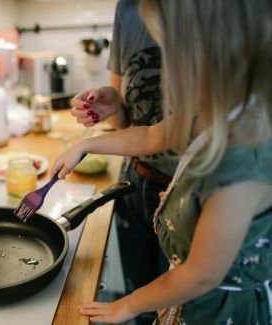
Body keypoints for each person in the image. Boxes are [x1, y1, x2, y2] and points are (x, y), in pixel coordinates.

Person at [52, 0, 272, 323]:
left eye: (173, 50)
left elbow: (200, 275)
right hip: (188, 300)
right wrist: (86, 145)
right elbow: (149, 136)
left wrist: (129, 304)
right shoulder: (217, 111)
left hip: (217, 312)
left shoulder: (242, 163)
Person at [71, 1, 171, 322]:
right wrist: (111, 107)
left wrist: (89, 145)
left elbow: (200, 275)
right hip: (136, 184)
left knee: (174, 309)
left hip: (191, 194)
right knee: (140, 306)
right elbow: (132, 126)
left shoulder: (229, 13)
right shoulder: (129, 9)